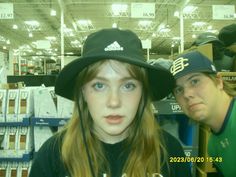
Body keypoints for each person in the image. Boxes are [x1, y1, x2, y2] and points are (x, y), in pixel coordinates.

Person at [29, 28, 192, 177]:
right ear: (83, 92)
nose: (114, 102)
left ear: (143, 93)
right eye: (99, 85)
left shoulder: (170, 152)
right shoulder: (52, 156)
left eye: (128, 86)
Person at [169, 50, 236, 177]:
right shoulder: (213, 146)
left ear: (219, 81)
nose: (187, 94)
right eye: (178, 89)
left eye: (194, 81)